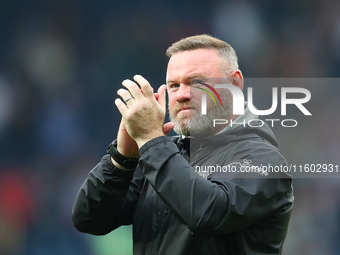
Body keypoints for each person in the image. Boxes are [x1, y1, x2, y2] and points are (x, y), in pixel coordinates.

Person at [72, 34, 293, 255]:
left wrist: (151, 141)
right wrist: (121, 159)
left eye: (197, 82)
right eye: (174, 85)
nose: (182, 95)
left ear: (235, 83)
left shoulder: (264, 159)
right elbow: (89, 219)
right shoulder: (163, 155)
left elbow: (208, 215)